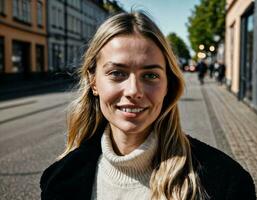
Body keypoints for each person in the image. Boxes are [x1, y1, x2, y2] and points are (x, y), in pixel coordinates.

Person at [40, 12, 256, 200]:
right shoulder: (58, 178)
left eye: (151, 75)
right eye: (117, 73)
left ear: (168, 85)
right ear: (93, 82)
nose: (134, 90)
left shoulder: (226, 182)